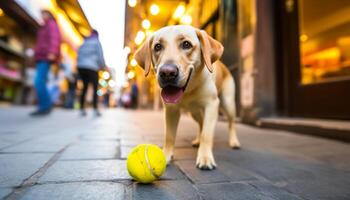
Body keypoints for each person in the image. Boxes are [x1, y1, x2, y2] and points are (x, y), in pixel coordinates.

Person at [30, 10, 61, 116]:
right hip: (41, 56)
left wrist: (52, 52)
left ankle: (45, 106)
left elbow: (54, 39)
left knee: (39, 81)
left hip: (45, 56)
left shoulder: (51, 24)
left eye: (44, 14)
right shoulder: (44, 26)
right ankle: (45, 105)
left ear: (49, 15)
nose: (42, 16)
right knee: (40, 81)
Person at [77, 29, 106, 116]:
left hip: (81, 67)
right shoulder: (96, 42)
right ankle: (95, 109)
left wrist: (79, 65)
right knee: (94, 87)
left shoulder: (84, 42)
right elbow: (100, 56)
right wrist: (102, 67)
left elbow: (79, 54)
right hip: (92, 67)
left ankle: (82, 109)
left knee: (84, 88)